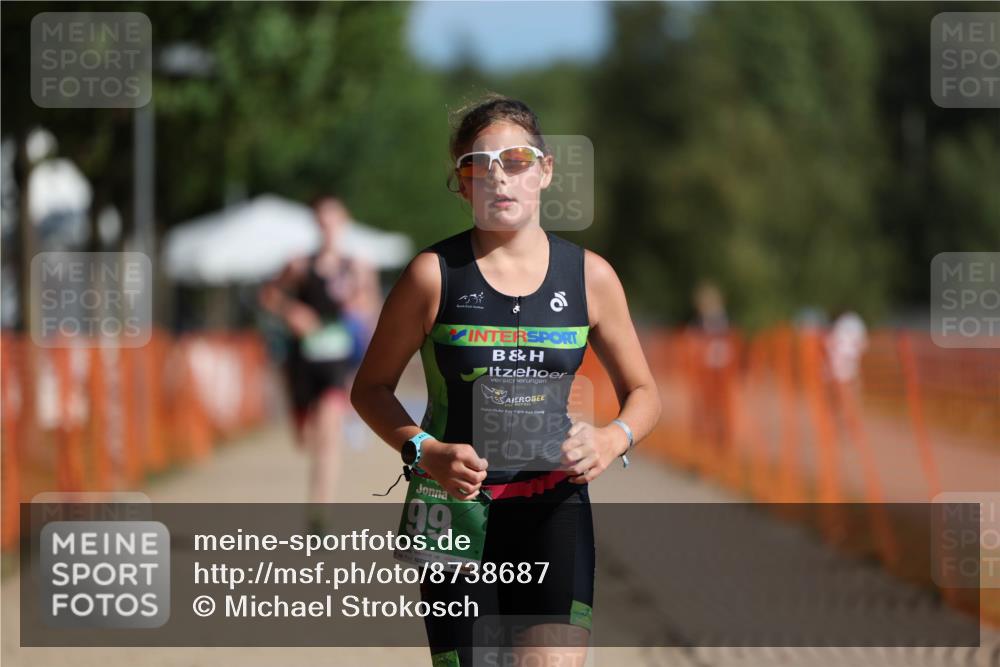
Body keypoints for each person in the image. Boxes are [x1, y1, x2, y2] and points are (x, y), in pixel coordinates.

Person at [350, 95, 661, 666]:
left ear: (545, 170)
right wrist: (426, 451)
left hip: (553, 507)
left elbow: (645, 393)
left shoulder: (591, 276)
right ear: (463, 185)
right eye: (478, 165)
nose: (499, 178)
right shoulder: (431, 275)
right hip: (453, 511)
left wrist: (612, 439)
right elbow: (369, 389)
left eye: (516, 160)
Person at [259, 196, 377, 529]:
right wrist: (291, 312)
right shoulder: (298, 265)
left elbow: (369, 311)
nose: (327, 228)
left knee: (328, 438)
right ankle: (318, 498)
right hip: (302, 364)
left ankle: (319, 513)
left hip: (336, 365)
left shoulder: (356, 266)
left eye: (333, 221)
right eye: (321, 221)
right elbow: (268, 296)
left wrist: (359, 307)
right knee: (306, 440)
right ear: (315, 224)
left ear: (344, 223)